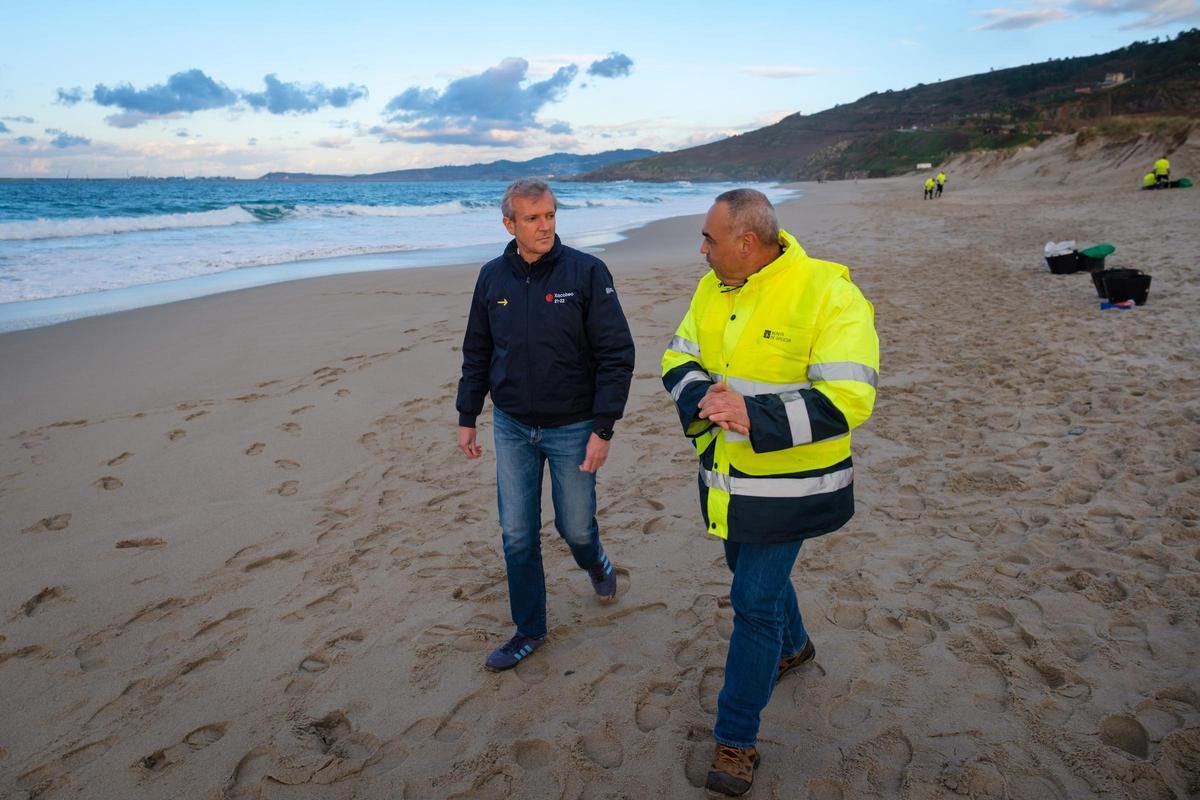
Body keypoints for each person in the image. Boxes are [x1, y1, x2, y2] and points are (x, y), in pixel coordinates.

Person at [661, 189, 879, 796]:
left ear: (746, 243)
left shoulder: (830, 292)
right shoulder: (713, 287)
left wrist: (753, 414)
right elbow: (677, 356)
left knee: (752, 601)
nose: (701, 249)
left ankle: (735, 741)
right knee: (754, 578)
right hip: (726, 482)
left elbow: (851, 397)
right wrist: (702, 398)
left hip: (793, 489)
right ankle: (798, 646)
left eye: (709, 238)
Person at [456, 178, 635, 672]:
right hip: (512, 426)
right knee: (517, 534)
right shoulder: (492, 278)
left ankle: (594, 558)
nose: (545, 226)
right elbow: (478, 350)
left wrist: (603, 428)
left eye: (551, 215)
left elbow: (617, 354)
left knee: (574, 528)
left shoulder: (586, 271)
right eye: (533, 218)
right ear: (509, 224)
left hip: (573, 427)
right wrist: (467, 415)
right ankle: (529, 629)